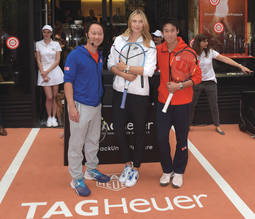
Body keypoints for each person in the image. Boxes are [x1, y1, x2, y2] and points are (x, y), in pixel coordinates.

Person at [107, 9, 157, 187]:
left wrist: (126, 68)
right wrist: (123, 73)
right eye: (134, 21)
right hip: (120, 92)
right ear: (129, 22)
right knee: (119, 131)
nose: (137, 24)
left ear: (144, 24)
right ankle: (127, 165)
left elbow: (149, 71)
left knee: (139, 134)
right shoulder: (119, 40)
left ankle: (135, 168)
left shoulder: (150, 44)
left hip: (140, 96)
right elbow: (110, 63)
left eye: (140, 21)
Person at [64, 22, 110, 197]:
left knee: (93, 141)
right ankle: (76, 178)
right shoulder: (75, 55)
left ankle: (91, 170)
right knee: (76, 144)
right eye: (93, 33)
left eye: (99, 33)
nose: (96, 36)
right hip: (80, 106)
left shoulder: (98, 55)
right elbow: (67, 81)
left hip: (96, 105)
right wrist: (71, 106)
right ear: (87, 35)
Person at [156, 18, 201, 188]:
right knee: (161, 138)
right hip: (163, 102)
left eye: (171, 30)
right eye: (165, 31)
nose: (168, 34)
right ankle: (167, 170)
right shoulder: (158, 50)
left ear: (177, 32)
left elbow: (197, 77)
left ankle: (179, 171)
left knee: (182, 139)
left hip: (183, 102)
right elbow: (151, 68)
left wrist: (180, 85)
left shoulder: (189, 52)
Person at [190, 34, 252, 135]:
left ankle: (217, 125)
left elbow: (224, 59)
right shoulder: (191, 53)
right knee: (192, 105)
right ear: (199, 43)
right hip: (196, 82)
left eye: (207, 41)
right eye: (204, 41)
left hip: (210, 82)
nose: (207, 43)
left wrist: (240, 66)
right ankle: (187, 125)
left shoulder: (210, 52)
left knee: (214, 105)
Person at [36, 25, 64, 127]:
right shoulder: (38, 44)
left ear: (51, 33)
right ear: (42, 33)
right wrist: (43, 72)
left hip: (54, 71)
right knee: (49, 96)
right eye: (44, 32)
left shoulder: (56, 44)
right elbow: (38, 59)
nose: (46, 34)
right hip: (43, 72)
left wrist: (47, 71)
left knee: (55, 97)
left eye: (48, 32)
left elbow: (57, 60)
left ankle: (54, 117)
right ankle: (49, 117)